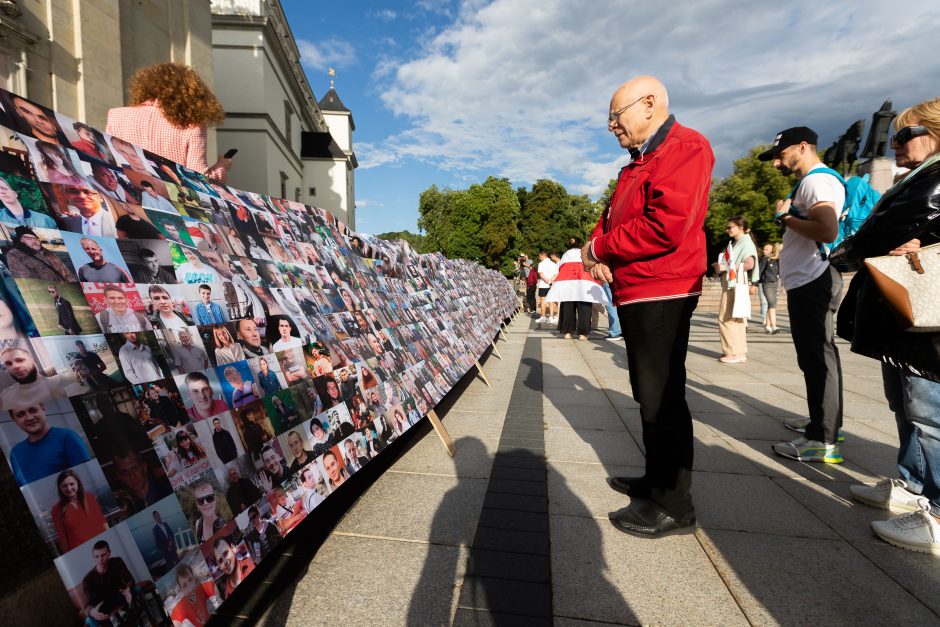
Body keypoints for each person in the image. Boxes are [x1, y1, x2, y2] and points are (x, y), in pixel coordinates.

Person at [581, 76, 713, 538]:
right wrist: (598, 245)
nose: (612, 126)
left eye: (616, 115)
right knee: (649, 392)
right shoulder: (639, 160)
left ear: (650, 104)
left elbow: (666, 226)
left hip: (663, 287)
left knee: (661, 397)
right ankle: (657, 481)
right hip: (640, 287)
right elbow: (616, 214)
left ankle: (675, 504)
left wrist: (600, 249)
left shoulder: (685, 147)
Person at [830, 98, 940, 554]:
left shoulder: (934, 179)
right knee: (907, 403)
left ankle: (936, 513)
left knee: (930, 411)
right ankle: (913, 486)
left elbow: (883, 228)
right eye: (892, 137)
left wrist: (846, 253)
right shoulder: (918, 176)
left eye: (903, 135)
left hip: (926, 314)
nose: (893, 144)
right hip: (905, 310)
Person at [758, 127, 846, 464]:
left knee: (818, 358)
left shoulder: (816, 181)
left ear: (803, 147)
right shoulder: (813, 182)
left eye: (780, 155)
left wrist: (785, 217)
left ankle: (823, 440)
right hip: (807, 279)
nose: (776, 164)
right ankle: (822, 423)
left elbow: (826, 229)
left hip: (814, 278)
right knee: (814, 357)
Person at [107, 63, 231, 182]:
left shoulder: (116, 115)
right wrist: (222, 165)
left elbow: (108, 160)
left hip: (126, 194)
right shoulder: (192, 126)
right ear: (189, 93)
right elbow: (199, 178)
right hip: (171, 199)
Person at [712, 216, 758, 363]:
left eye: (730, 227)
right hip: (735, 282)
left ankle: (733, 352)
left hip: (734, 283)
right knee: (736, 319)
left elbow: (749, 264)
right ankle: (738, 352)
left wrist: (724, 267)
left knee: (726, 318)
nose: (727, 230)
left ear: (741, 227)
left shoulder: (744, 243)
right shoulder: (740, 242)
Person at [547, 237, 608, 340]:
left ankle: (568, 332)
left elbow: (561, 268)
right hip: (583, 283)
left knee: (568, 307)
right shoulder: (584, 252)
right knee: (584, 307)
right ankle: (583, 334)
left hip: (568, 284)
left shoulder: (566, 255)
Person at [80, 540, 139, 626]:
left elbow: (130, 579)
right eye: (96, 557)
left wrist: (128, 589)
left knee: (137, 589)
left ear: (109, 553)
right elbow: (88, 604)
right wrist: (92, 612)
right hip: (103, 605)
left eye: (103, 555)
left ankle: (136, 618)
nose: (100, 559)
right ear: (93, 557)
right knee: (90, 620)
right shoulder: (88, 579)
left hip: (119, 595)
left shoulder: (117, 561)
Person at [51, 469, 108, 553]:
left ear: (78, 483)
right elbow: (63, 538)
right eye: (64, 486)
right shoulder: (57, 509)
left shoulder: (89, 498)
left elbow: (102, 522)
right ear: (60, 488)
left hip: (102, 544)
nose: (69, 488)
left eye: (71, 484)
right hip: (80, 551)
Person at [5, 226, 77, 281]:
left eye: (35, 238)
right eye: (29, 238)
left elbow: (67, 274)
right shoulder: (15, 255)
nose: (34, 241)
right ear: (21, 240)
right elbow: (26, 282)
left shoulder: (48, 253)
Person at [169, 563, 216, 627]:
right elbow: (175, 622)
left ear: (194, 579)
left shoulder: (203, 588)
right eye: (184, 586)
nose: (190, 589)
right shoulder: (181, 607)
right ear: (181, 589)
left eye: (190, 580)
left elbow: (215, 588)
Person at [758, 243, 781, 334]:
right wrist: (754, 284)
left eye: (766, 249)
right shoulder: (765, 260)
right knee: (772, 304)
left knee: (771, 305)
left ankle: (768, 326)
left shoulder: (776, 260)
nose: (764, 251)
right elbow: (759, 271)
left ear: (772, 250)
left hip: (776, 283)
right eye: (764, 249)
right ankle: (774, 326)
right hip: (767, 283)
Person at [535, 251, 557, 326]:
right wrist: (550, 281)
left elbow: (541, 274)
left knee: (543, 301)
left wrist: (547, 280)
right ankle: (551, 317)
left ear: (543, 255)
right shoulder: (553, 264)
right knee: (551, 301)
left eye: (540, 256)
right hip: (551, 285)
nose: (539, 258)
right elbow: (556, 274)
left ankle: (543, 317)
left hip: (543, 285)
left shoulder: (541, 264)